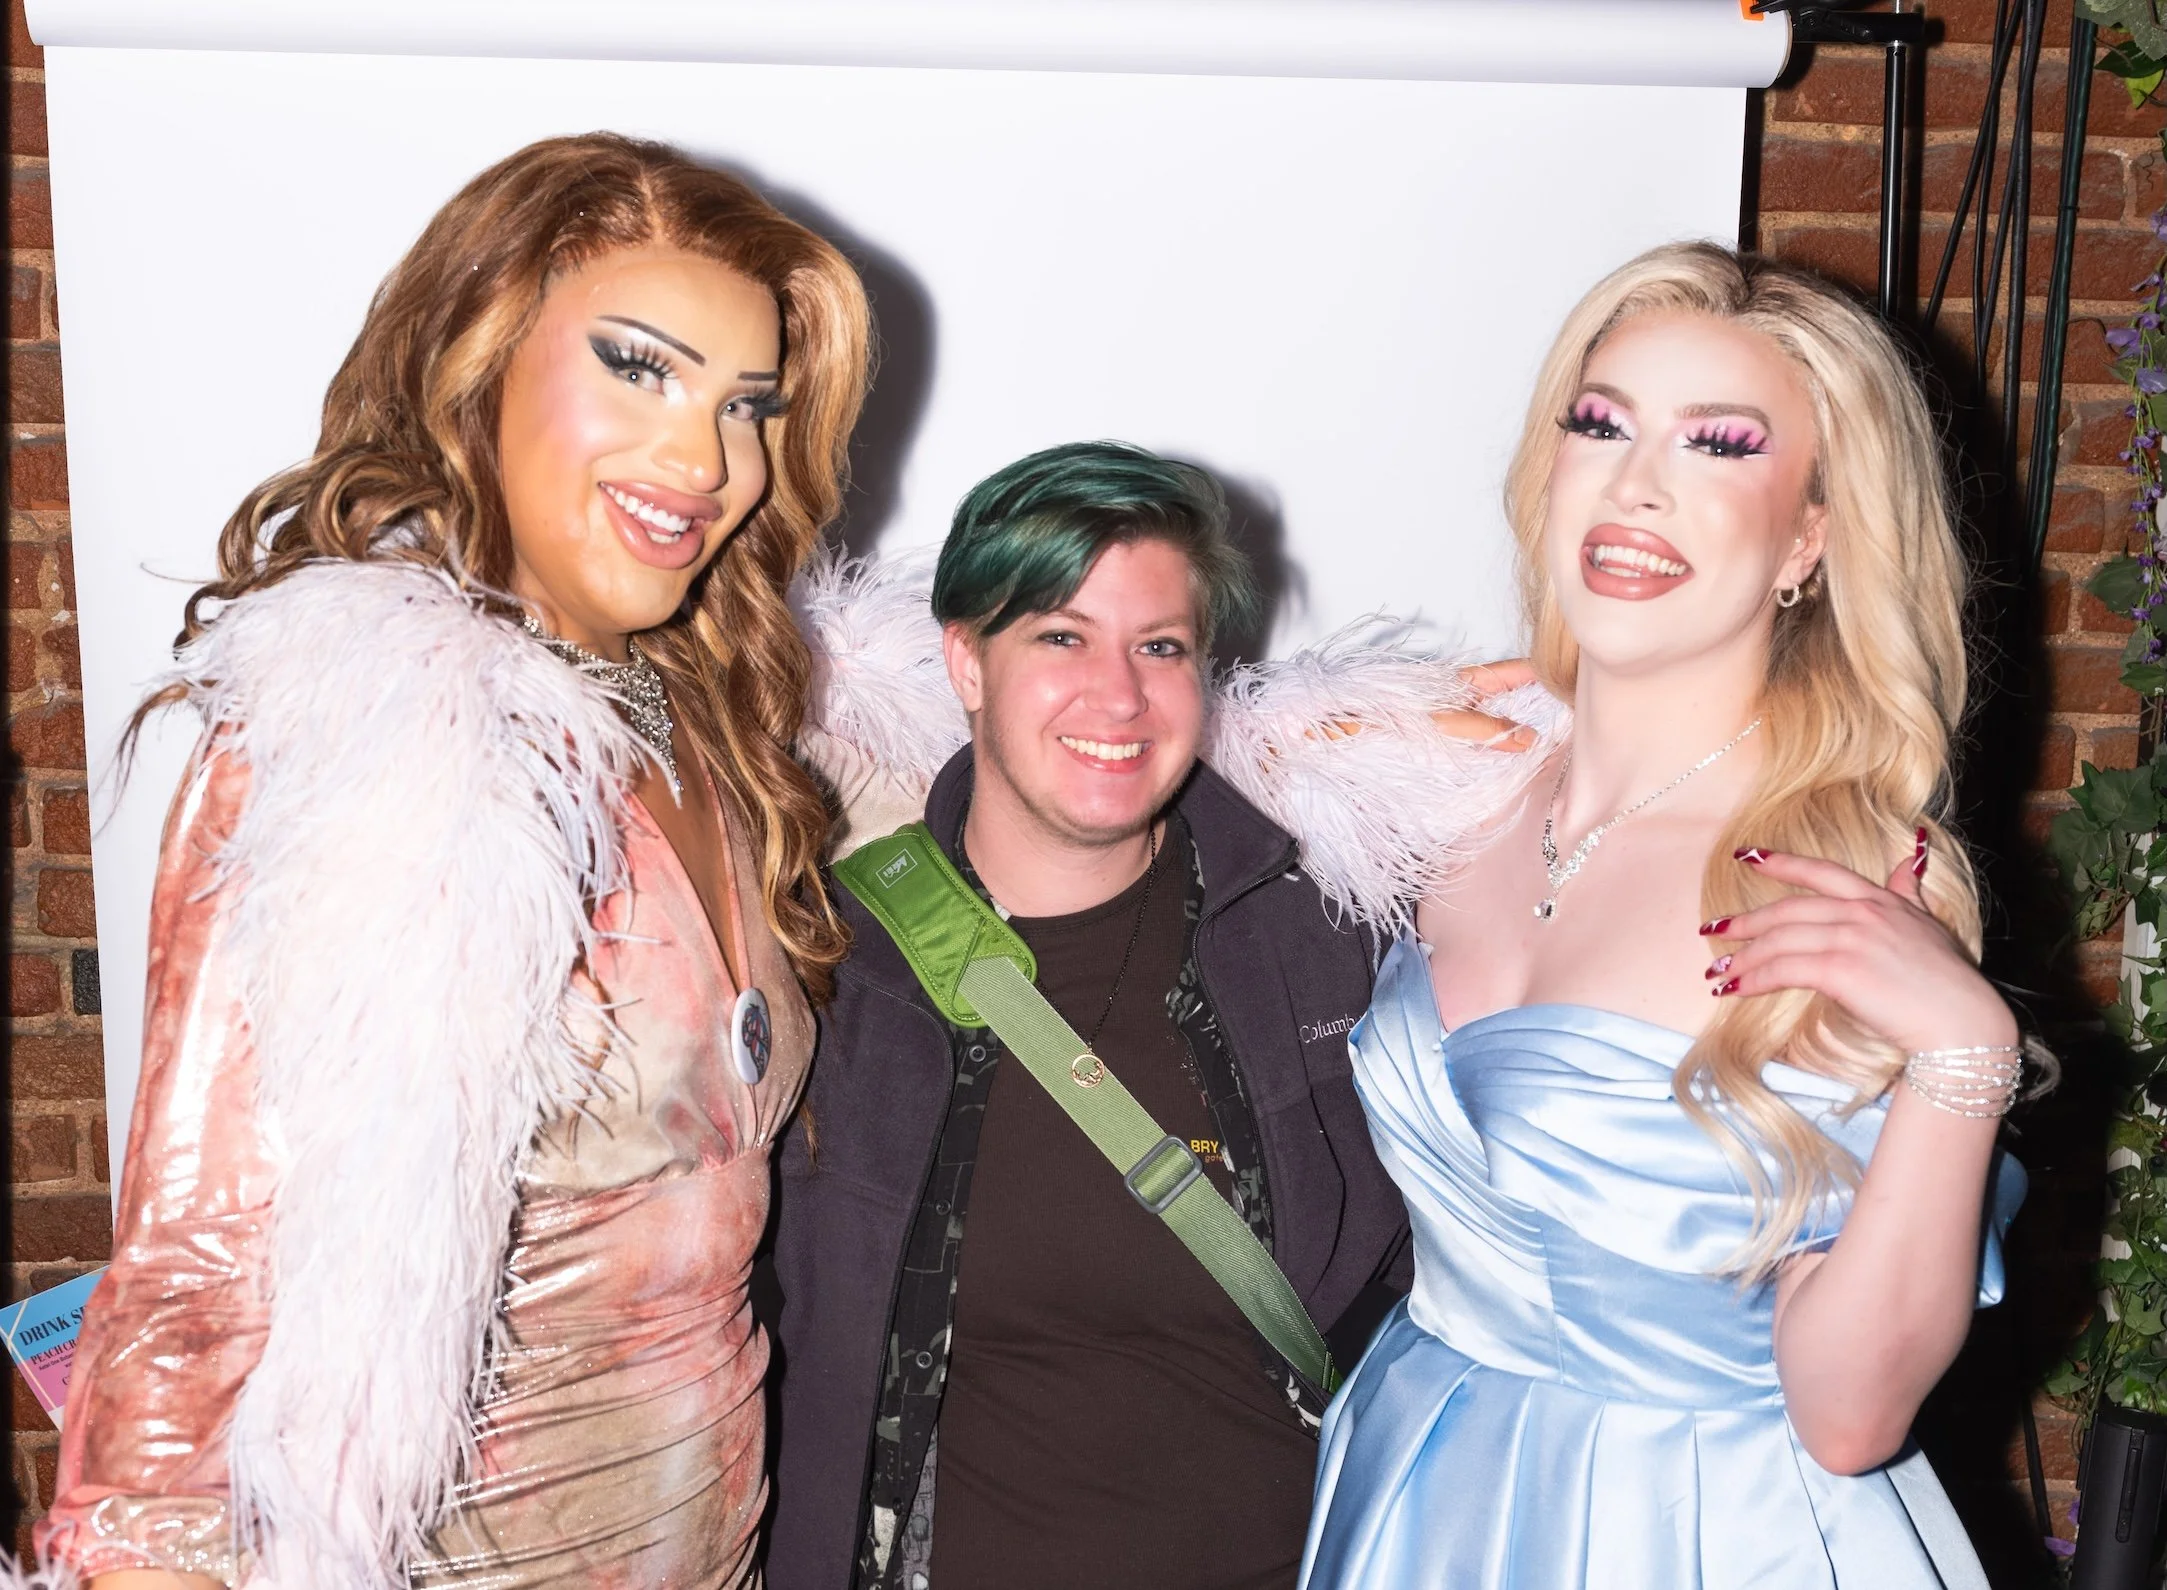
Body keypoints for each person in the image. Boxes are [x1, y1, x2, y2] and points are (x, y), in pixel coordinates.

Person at [30, 133, 869, 1589]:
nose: (705, 460)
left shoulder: (713, 713)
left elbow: (1047, 714)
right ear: (478, 360)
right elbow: (199, 1274)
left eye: (746, 405)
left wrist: (1316, 739)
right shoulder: (375, 730)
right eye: (637, 365)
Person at [1298, 243, 2029, 1589]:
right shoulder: (1458, 784)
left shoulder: (1844, 870)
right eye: (1599, 423)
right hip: (1417, 1487)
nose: (1636, 482)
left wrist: (1961, 1057)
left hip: (1692, 1533)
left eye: (1716, 444)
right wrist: (1328, 716)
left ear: (1807, 535)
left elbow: (1849, 1414)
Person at [766, 440, 1553, 1590]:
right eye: (1059, 637)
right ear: (965, 664)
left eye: (1161, 646)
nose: (1119, 695)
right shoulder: (838, 971)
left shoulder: (1320, 945)